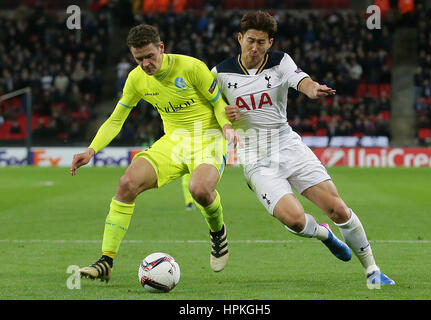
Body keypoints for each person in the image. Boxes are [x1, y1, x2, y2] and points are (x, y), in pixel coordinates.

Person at [213, 11, 394, 288]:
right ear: (239, 38)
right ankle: (324, 235)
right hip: (255, 158)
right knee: (295, 221)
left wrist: (313, 89)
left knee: (338, 209)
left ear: (270, 43)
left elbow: (302, 81)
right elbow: (207, 110)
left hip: (287, 145)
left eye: (261, 42)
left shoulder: (280, 62)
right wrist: (225, 115)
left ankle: (372, 270)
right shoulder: (220, 73)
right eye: (250, 40)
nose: (254, 47)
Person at [71, 24, 240, 282]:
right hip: (173, 142)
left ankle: (218, 234)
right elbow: (116, 120)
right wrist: (91, 150)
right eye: (139, 59)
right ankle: (106, 260)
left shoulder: (191, 67)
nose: (146, 63)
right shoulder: (136, 79)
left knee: (200, 190)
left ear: (161, 48)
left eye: (150, 56)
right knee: (127, 184)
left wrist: (227, 127)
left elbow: (218, 103)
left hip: (208, 139)